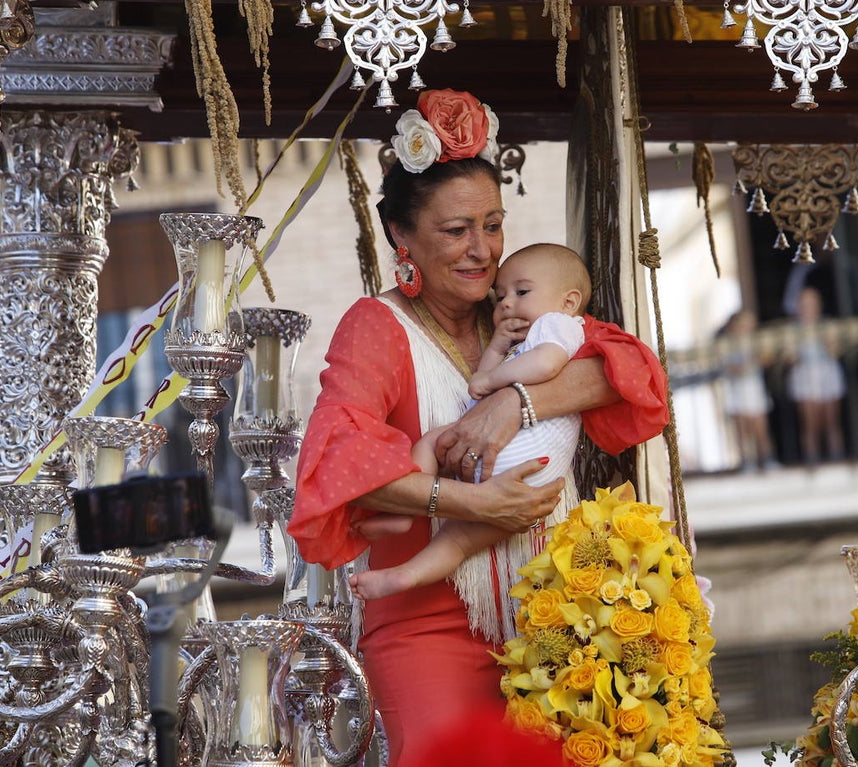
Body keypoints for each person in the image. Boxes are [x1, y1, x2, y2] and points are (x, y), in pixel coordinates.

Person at [287, 89, 669, 767]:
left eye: (492, 225)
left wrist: (514, 405)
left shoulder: (521, 311)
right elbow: (338, 459)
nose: (482, 250)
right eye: (456, 230)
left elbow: (633, 372)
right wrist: (475, 504)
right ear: (402, 238)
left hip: (562, 610)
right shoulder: (377, 327)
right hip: (425, 620)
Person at [348, 242, 592, 602]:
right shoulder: (522, 339)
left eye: (522, 292)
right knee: (459, 539)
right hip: (523, 471)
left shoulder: (561, 326)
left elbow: (544, 367)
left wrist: (493, 380)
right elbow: (481, 382)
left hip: (525, 457)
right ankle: (403, 568)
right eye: (501, 294)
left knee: (432, 445)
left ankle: (402, 532)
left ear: (569, 301)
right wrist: (496, 347)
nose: (507, 303)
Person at [787, 286, 845, 463]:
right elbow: (790, 358)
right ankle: (813, 460)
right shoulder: (793, 330)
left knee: (831, 420)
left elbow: (836, 350)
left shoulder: (826, 325)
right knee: (809, 422)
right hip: (805, 374)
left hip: (826, 371)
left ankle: (837, 458)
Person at [716, 309, 777, 471]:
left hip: (754, 388)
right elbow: (729, 367)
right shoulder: (727, 345)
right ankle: (747, 462)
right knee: (743, 429)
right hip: (738, 390)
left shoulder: (756, 342)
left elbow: (767, 359)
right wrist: (747, 365)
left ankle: (767, 459)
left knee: (760, 428)